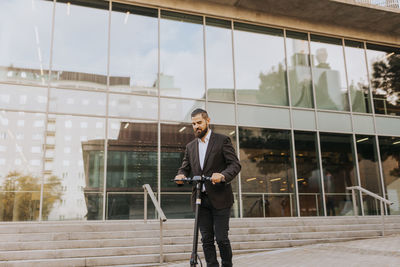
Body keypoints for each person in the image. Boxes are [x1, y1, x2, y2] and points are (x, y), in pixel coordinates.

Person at [175, 108, 241, 267]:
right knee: (206, 239)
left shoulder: (222, 140)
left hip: (220, 199)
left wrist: (223, 175)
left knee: (221, 239)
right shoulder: (190, 147)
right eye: (193, 124)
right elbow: (185, 167)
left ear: (207, 121)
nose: (196, 126)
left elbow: (235, 164)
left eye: (199, 122)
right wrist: (180, 175)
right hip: (200, 199)